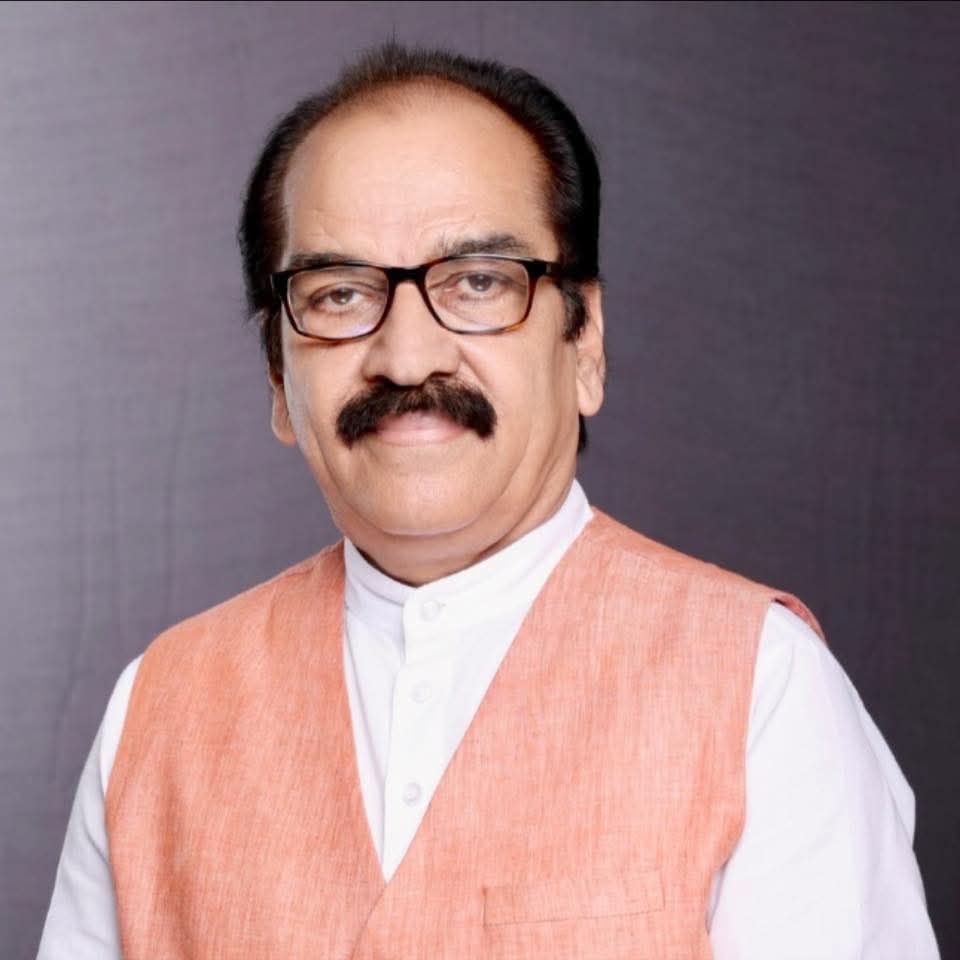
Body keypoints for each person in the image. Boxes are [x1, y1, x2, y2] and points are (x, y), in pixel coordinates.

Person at [38, 43, 939, 960]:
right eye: (340, 294)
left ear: (584, 344)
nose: (407, 357)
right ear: (278, 377)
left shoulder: (761, 688)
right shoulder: (159, 710)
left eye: (477, 282)